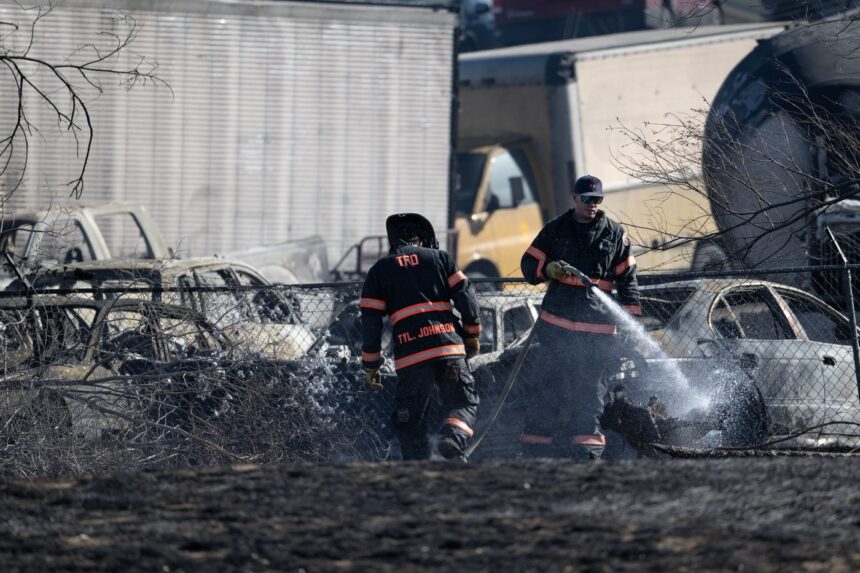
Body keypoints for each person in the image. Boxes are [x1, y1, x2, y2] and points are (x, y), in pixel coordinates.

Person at [519, 175, 641, 459]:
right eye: (587, 199)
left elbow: (629, 282)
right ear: (574, 198)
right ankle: (534, 455)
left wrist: (631, 325)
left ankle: (587, 455)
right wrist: (548, 268)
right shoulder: (555, 230)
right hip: (557, 331)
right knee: (546, 391)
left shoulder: (614, 235)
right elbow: (527, 264)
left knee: (588, 397)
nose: (593, 205)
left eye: (597, 200)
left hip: (596, 336)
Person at [360, 213, 482, 461]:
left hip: (411, 356)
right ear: (425, 240)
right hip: (448, 349)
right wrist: (471, 334)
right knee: (462, 402)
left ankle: (417, 471)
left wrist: (371, 365)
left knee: (411, 419)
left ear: (394, 242)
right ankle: (453, 437)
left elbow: (370, 321)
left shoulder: (379, 270)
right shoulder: (440, 258)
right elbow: (466, 298)